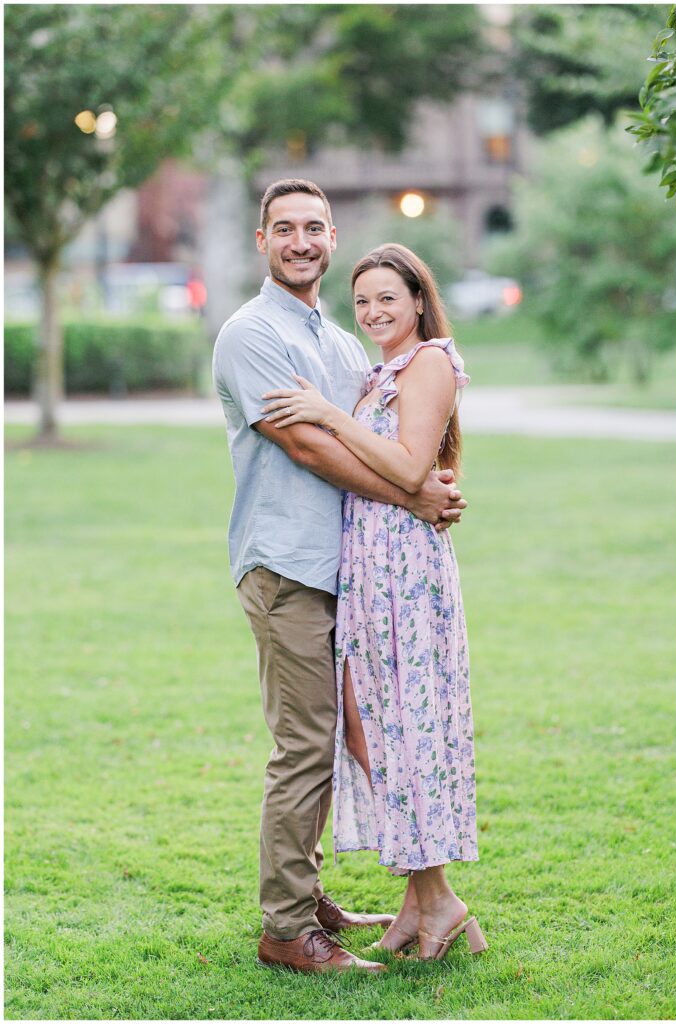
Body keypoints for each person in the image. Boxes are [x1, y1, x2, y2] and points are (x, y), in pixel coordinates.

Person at [212, 180, 468, 973]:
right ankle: (287, 930)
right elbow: (314, 449)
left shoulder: (342, 342)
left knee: (348, 738)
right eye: (283, 228)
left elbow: (385, 435)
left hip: (354, 571)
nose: (299, 241)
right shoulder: (249, 334)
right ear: (261, 239)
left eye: (313, 228)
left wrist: (423, 482)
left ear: (329, 236)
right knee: (304, 744)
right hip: (287, 563)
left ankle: (317, 893)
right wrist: (415, 493)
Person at [261, 243, 487, 962]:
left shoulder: (428, 363)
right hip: (368, 562)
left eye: (388, 297)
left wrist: (327, 413)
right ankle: (427, 904)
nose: (373, 312)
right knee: (373, 727)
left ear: (419, 300)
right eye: (362, 301)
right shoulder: (380, 372)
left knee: (400, 725)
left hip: (406, 567)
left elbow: (408, 466)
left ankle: (437, 902)